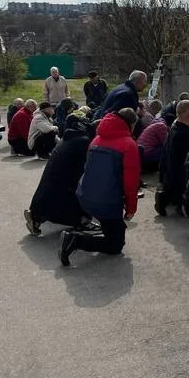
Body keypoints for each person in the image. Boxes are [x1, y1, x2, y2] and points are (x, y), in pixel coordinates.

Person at [58, 108, 140, 265]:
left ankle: (108, 228)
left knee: (112, 226)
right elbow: (131, 183)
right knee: (115, 245)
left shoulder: (96, 140)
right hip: (106, 202)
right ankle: (75, 240)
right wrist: (131, 209)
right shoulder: (129, 145)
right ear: (131, 124)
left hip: (85, 195)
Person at [24, 115, 94, 236]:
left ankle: (36, 216)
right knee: (75, 197)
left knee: (51, 197)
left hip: (53, 178)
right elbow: (86, 168)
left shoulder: (69, 137)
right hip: (64, 182)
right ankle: (82, 221)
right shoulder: (83, 141)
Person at [156, 100, 189, 216]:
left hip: (170, 175)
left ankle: (166, 198)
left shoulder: (175, 129)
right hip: (180, 178)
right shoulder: (185, 135)